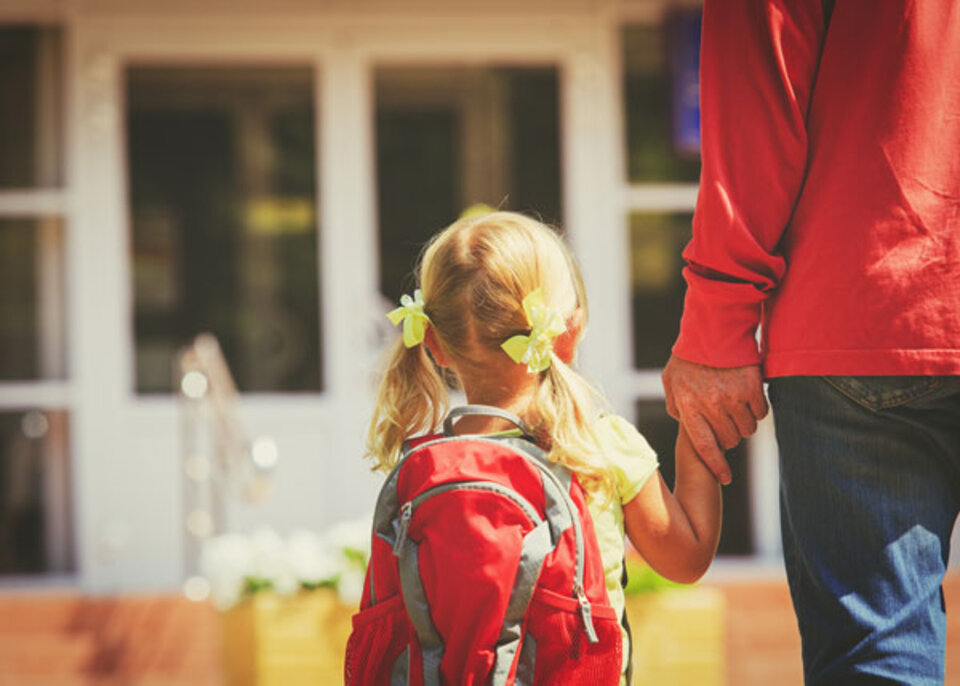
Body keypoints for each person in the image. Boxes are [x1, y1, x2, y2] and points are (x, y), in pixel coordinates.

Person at [661, 1, 960, 683]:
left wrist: (716, 330)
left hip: (862, 320)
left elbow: (757, 110)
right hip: (863, 328)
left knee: (877, 661)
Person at [368, 211, 723, 684]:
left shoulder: (423, 466)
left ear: (433, 342)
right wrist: (696, 427)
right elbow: (687, 558)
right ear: (568, 332)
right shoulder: (600, 445)